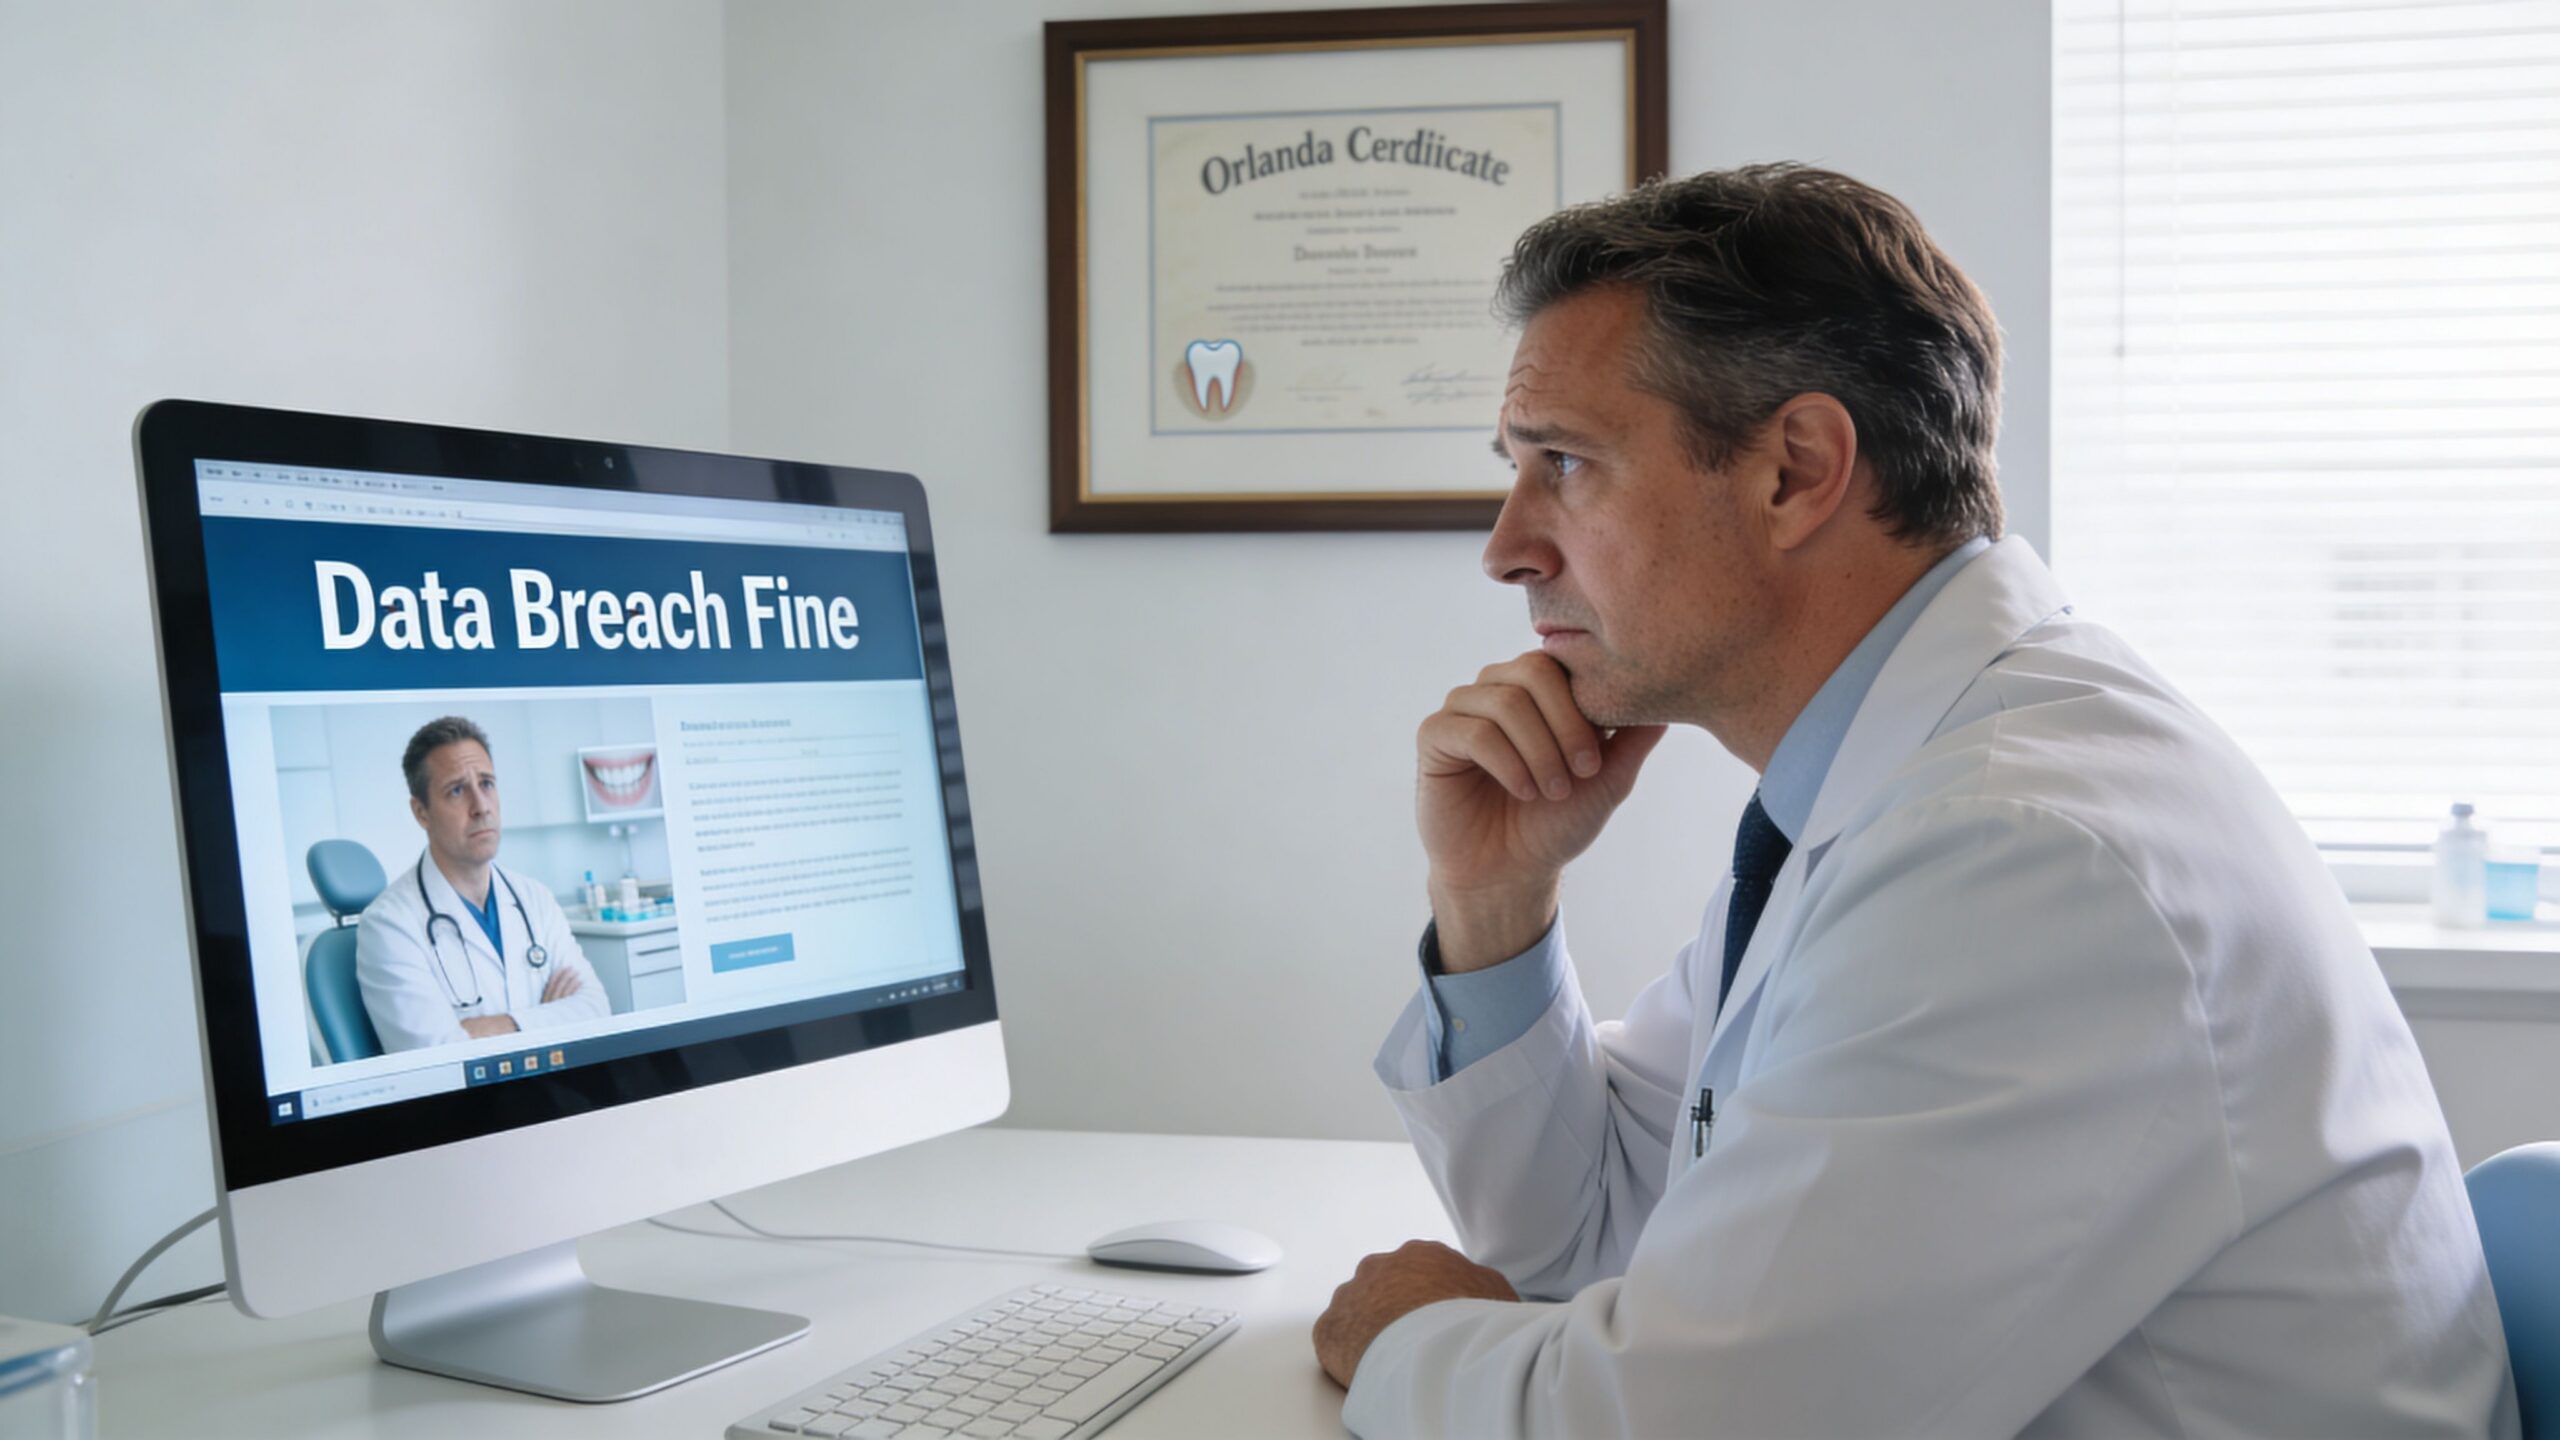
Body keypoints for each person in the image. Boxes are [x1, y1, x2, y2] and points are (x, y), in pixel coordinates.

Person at [1311, 165, 2515, 1438]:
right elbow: (1594, 1231)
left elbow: (1695, 1424)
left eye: (1564, 463)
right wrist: (1493, 895)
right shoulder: (1884, 784)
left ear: (1796, 470)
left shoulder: (2018, 852)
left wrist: (1413, 1340)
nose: (1506, 545)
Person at [356, 716, 609, 1052]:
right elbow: (436, 1054)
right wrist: (549, 1016)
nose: (481, 807)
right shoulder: (389, 926)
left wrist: (499, 1026)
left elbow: (597, 1008)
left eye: (487, 783)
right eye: (457, 790)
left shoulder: (535, 898)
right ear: (421, 813)